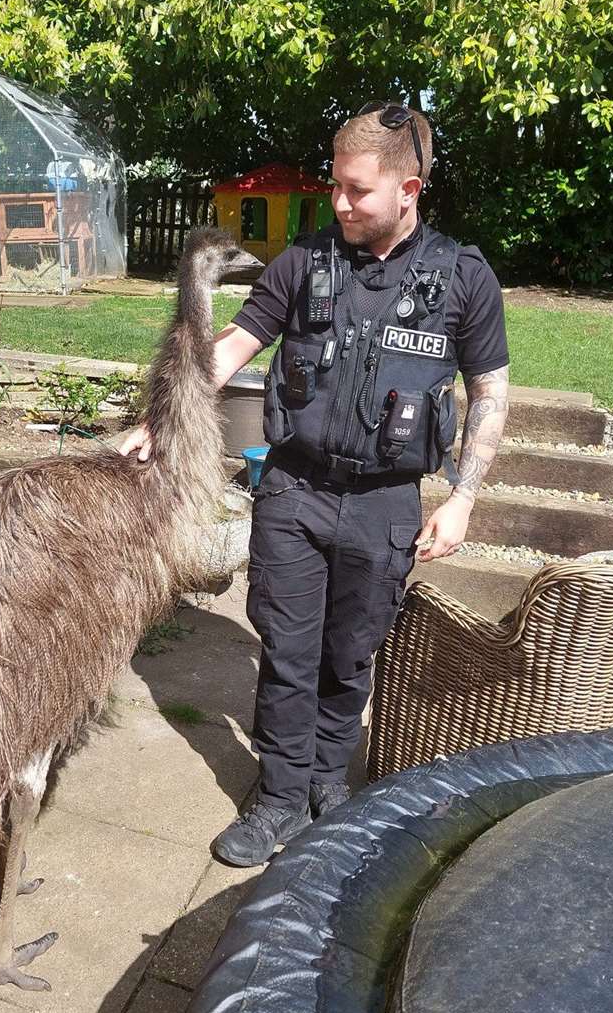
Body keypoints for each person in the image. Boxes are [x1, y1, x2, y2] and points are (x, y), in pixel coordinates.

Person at [120, 102, 510, 865]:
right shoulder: (305, 264)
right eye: (335, 186)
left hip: (387, 504)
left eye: (357, 190)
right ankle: (276, 798)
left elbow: (489, 392)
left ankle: (329, 788)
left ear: (410, 190)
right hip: (295, 491)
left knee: (350, 656)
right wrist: (165, 418)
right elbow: (231, 345)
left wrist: (462, 498)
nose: (338, 203)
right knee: (289, 653)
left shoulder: (463, 278)